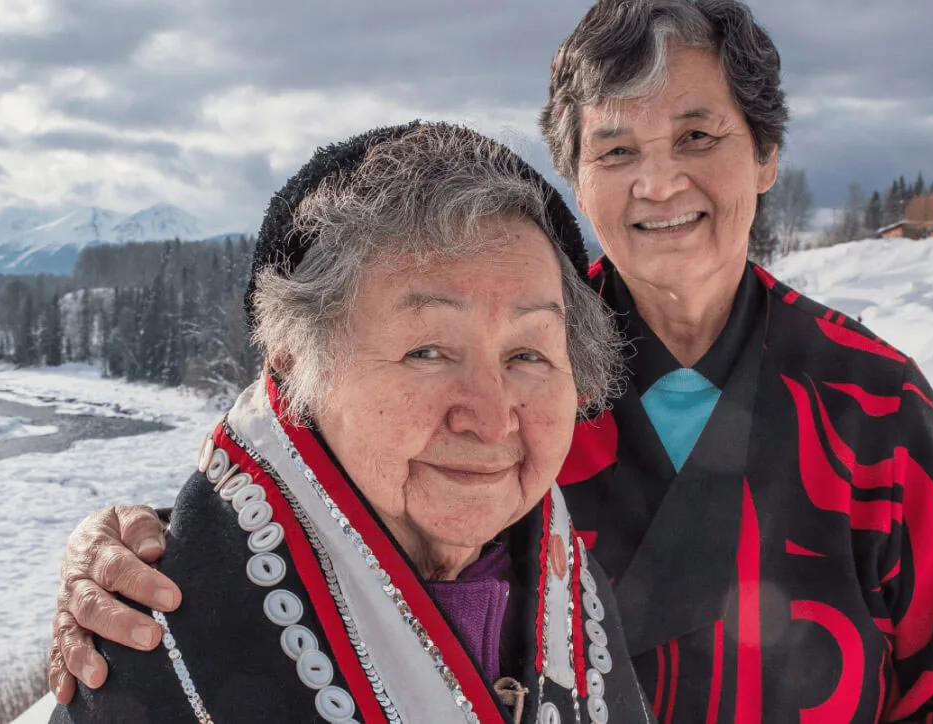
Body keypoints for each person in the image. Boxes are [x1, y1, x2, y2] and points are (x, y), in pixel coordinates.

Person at [49, 1, 933, 721]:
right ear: (577, 176)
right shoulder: (523, 362)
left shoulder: (870, 403)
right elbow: (313, 499)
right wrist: (144, 551)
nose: (658, 180)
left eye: (699, 133)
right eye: (615, 149)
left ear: (765, 157)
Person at [49, 120, 652, 724]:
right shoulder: (151, 656)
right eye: (427, 352)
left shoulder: (575, 587)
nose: (492, 421)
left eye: (528, 354)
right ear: (295, 365)